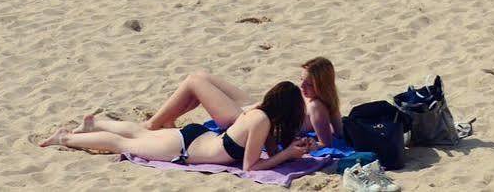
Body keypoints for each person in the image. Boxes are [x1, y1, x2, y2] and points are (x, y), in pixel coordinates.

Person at [42, 81, 316, 172]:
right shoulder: (261, 120)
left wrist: (294, 149)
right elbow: (251, 166)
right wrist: (287, 155)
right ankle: (65, 138)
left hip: (196, 138)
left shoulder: (260, 113)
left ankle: (96, 123)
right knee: (122, 143)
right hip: (185, 146)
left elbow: (268, 151)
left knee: (139, 133)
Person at [144, 59, 342, 145]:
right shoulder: (327, 101)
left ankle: (152, 124)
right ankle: (167, 121)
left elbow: (326, 142)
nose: (302, 86)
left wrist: (309, 142)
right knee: (201, 75)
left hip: (242, 119)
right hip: (255, 107)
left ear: (321, 85)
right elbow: (339, 131)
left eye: (308, 84)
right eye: (301, 80)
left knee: (194, 82)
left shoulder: (316, 106)